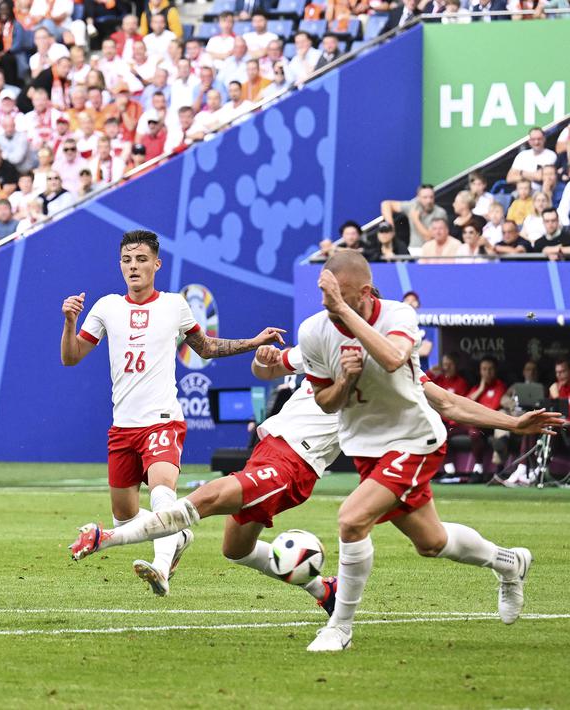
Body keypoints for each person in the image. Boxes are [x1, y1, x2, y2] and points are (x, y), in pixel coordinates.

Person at [70, 344, 560, 612]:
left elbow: (450, 403)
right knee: (235, 550)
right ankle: (507, 562)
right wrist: (265, 359)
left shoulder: (393, 363)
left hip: (296, 463)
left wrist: (514, 422)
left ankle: (112, 536)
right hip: (269, 446)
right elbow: (270, 368)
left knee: (209, 496)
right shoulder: (323, 343)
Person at [300, 251, 532, 652]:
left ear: (366, 293)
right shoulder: (314, 331)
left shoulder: (398, 317)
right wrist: (344, 378)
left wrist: (512, 423)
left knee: (352, 520)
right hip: (366, 450)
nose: (331, 311)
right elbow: (326, 401)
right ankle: (510, 563)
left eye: (340, 299)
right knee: (432, 543)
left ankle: (340, 627)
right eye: (327, 302)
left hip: (414, 442)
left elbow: (393, 360)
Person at [59, 230, 285, 595]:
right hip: (123, 426)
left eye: (142, 260)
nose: (134, 267)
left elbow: (207, 347)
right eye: (127, 260)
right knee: (125, 516)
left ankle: (161, 567)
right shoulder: (105, 307)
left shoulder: (173, 305)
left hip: (162, 419)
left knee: (162, 491)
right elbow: (70, 358)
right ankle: (177, 536)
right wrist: (70, 322)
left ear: (156, 264)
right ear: (120, 265)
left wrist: (253, 342)